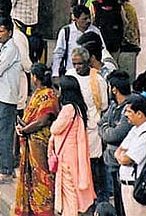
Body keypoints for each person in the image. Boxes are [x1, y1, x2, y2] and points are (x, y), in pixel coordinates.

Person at [14, 63, 58, 216]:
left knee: (42, 175)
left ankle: (44, 210)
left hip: (40, 143)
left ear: (34, 77)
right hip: (31, 141)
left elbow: (43, 120)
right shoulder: (39, 93)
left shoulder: (49, 95)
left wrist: (24, 129)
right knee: (32, 176)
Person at [51, 75, 96, 216]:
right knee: (73, 190)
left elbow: (55, 129)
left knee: (69, 193)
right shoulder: (78, 107)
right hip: (74, 155)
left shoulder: (68, 109)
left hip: (66, 157)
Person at [70, 46, 110, 202]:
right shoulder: (70, 76)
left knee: (94, 165)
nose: (77, 67)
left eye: (80, 64)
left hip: (93, 128)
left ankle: (100, 199)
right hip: (75, 127)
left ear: (88, 63)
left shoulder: (98, 80)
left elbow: (104, 105)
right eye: (74, 64)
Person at [0, 15, 22, 183]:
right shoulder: (0, 48)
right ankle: (4, 165)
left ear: (9, 32)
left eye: (1, 31)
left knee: (4, 134)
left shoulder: (11, 50)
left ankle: (6, 170)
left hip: (6, 97)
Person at [115, 95, 146, 216]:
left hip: (138, 189)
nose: (125, 114)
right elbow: (119, 150)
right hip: (128, 186)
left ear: (139, 114)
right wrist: (123, 156)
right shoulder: (136, 129)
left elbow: (125, 159)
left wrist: (123, 157)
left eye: (129, 111)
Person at [99, 71, 134, 216]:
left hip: (124, 163)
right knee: (118, 200)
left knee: (125, 203)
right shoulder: (114, 106)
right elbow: (101, 121)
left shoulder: (129, 108)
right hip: (112, 161)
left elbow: (114, 135)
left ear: (114, 89)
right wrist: (106, 127)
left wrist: (106, 129)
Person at [52, 5, 103, 77]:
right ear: (76, 19)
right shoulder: (66, 32)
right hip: (71, 74)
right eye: (84, 19)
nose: (88, 21)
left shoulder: (95, 31)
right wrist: (55, 74)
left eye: (89, 18)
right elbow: (58, 54)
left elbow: (103, 50)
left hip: (91, 74)